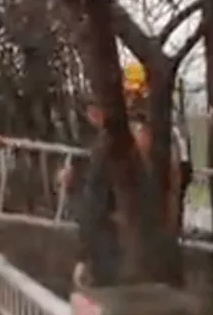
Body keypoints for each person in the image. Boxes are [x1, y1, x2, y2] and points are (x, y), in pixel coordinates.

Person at [62, 62, 190, 288]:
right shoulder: (168, 138)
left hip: (121, 255)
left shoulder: (115, 145)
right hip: (150, 252)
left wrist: (84, 255)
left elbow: (95, 201)